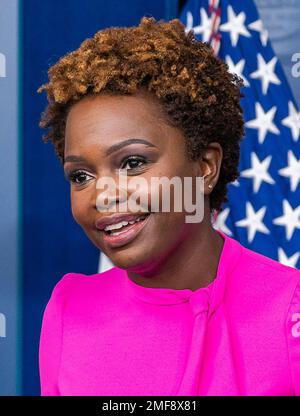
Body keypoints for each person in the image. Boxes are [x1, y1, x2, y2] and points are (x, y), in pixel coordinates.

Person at [37, 16, 300, 396]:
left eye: (132, 163)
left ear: (205, 167)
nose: (102, 195)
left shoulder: (289, 310)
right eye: (81, 176)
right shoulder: (70, 309)